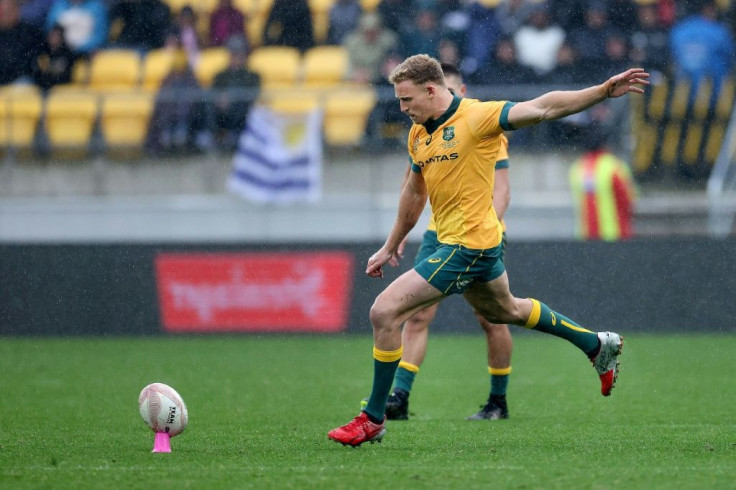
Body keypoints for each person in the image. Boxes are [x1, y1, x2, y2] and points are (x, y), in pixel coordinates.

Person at [328, 54, 648, 447]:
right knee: (506, 310)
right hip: (463, 244)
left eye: (406, 99)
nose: (402, 108)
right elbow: (413, 193)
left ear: (431, 89)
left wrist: (601, 92)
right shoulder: (418, 135)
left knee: (384, 311)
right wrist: (391, 244)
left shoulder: (478, 117)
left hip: (470, 245)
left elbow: (544, 107)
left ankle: (373, 418)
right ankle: (598, 344)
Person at [366, 62, 515, 422]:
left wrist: (484, 227)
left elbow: (502, 187)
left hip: (477, 234)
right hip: (438, 233)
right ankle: (398, 397)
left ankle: (498, 401)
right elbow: (412, 189)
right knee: (417, 316)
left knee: (493, 318)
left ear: (457, 90)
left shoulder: (481, 124)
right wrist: (396, 238)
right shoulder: (422, 131)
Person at [569, 125, 637, 241]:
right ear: (605, 143)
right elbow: (628, 201)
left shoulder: (577, 169)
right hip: (614, 235)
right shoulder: (614, 167)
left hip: (586, 236)